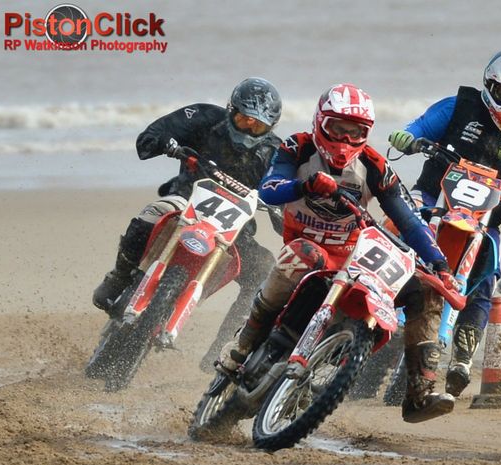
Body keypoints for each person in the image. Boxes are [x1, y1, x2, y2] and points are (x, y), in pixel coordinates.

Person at [218, 83, 459, 423]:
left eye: (355, 132)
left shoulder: (374, 166)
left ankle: (420, 391)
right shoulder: (297, 147)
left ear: (366, 134)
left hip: (353, 256)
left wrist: (440, 265)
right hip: (307, 247)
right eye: (337, 130)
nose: (345, 141)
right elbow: (269, 191)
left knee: (429, 291)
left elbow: (408, 219)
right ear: (320, 122)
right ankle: (242, 346)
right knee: (302, 256)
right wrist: (304, 185)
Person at [387, 42, 501, 397]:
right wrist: (408, 137)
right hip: (432, 199)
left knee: (488, 274)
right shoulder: (460, 106)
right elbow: (419, 126)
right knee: (394, 229)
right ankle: (365, 295)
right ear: (490, 86)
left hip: (484, 223)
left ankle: (462, 356)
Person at [91, 77, 283, 368]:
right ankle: (117, 279)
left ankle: (226, 348)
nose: (248, 129)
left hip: (233, 229)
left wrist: (282, 209)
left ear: (271, 127)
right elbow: (151, 135)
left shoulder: (277, 153)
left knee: (264, 271)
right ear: (231, 109)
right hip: (183, 203)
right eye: (243, 119)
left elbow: (288, 194)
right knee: (149, 217)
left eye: (257, 126)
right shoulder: (204, 117)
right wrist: (169, 144)